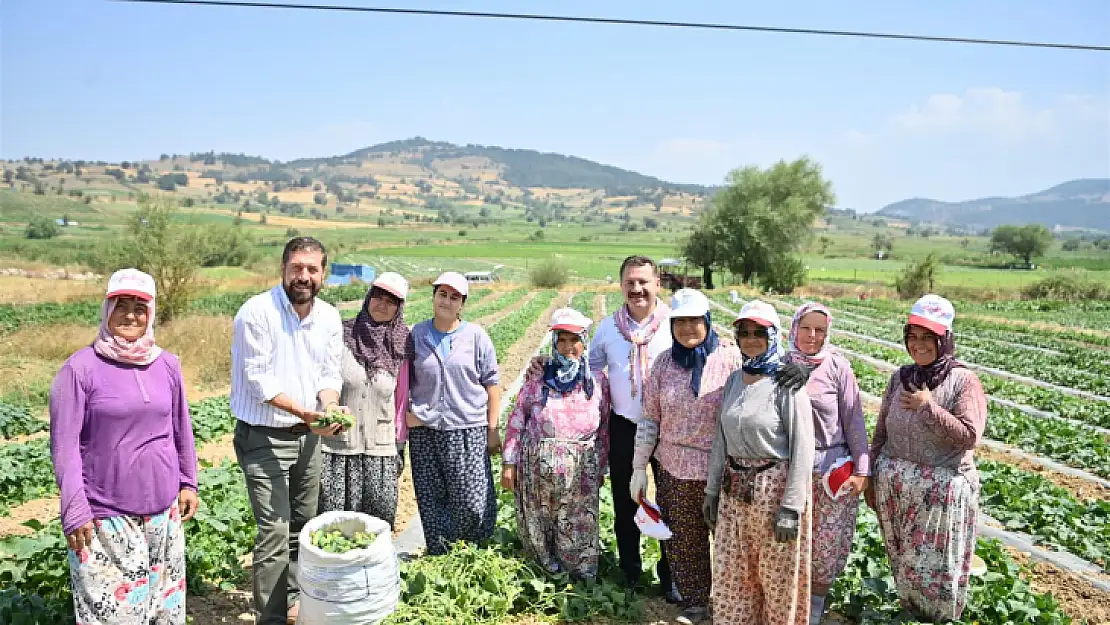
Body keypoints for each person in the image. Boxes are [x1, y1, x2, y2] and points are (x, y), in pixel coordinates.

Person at [49, 268, 199, 625]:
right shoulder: (79, 369)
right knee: (114, 616)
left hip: (163, 512)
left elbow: (181, 427)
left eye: (140, 307)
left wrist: (188, 481)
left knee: (164, 611)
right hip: (106, 516)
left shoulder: (166, 364)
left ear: (151, 313)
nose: (131, 315)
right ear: (107, 309)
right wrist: (75, 509)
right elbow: (64, 446)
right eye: (122, 306)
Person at [230, 237, 347, 625]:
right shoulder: (256, 313)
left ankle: (294, 600)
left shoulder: (329, 317)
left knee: (302, 524)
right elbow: (260, 381)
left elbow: (329, 374)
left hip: (307, 438)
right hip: (264, 435)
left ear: (323, 274)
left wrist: (328, 407)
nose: (304, 276)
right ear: (283, 269)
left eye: (312, 270)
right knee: (275, 531)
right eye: (297, 268)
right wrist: (305, 411)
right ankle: (272, 618)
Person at [865, 294, 987, 623]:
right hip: (897, 492)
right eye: (912, 337)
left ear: (944, 339)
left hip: (941, 496)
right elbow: (880, 433)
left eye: (927, 338)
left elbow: (970, 436)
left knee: (939, 572)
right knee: (905, 563)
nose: (918, 345)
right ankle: (911, 613)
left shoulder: (963, 381)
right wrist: (871, 478)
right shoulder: (900, 377)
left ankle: (937, 619)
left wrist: (928, 407)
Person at [631, 289, 742, 624]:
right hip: (673, 468)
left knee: (728, 541)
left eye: (695, 320)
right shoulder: (665, 363)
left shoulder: (731, 358)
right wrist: (639, 467)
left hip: (721, 469)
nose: (688, 327)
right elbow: (650, 417)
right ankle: (696, 603)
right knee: (684, 540)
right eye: (680, 321)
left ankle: (731, 606)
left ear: (707, 321)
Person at [704, 300, 815, 625]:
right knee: (733, 572)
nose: (751, 339)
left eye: (759, 333)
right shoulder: (735, 380)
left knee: (776, 577)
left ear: (773, 336)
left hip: (773, 491)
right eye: (745, 332)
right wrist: (712, 491)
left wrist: (792, 508)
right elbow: (721, 441)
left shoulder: (787, 385)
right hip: (734, 488)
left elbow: (803, 448)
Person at [501, 308, 611, 579]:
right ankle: (543, 574)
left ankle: (580, 577)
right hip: (536, 469)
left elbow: (605, 428)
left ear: (584, 342)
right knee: (540, 523)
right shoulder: (538, 378)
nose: (567, 347)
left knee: (579, 524)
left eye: (574, 340)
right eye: (561, 340)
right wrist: (509, 462)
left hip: (581, 470)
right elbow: (517, 419)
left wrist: (601, 468)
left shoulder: (596, 382)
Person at [785, 302, 870, 625]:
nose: (812, 335)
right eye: (806, 328)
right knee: (790, 540)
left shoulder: (837, 367)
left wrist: (863, 470)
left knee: (826, 545)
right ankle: (788, 605)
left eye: (820, 330)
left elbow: (854, 420)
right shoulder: (780, 363)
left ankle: (814, 609)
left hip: (831, 468)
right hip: (791, 467)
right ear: (794, 329)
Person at [407, 271, 501, 555]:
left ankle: (474, 554)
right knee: (433, 499)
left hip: (467, 429)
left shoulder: (476, 336)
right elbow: (402, 383)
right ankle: (441, 557)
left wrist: (492, 429)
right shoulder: (416, 335)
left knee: (472, 501)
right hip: (425, 431)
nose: (447, 301)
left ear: (462, 304)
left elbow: (492, 384)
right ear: (433, 297)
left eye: (454, 297)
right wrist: (407, 416)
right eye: (442, 294)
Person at [317, 272, 413, 529]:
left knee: (375, 530)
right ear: (369, 297)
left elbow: (402, 400)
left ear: (399, 307)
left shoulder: (402, 346)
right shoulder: (342, 335)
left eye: (391, 301)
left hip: (380, 452)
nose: (382, 304)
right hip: (337, 451)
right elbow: (324, 382)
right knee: (334, 528)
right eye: (378, 297)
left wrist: (399, 447)